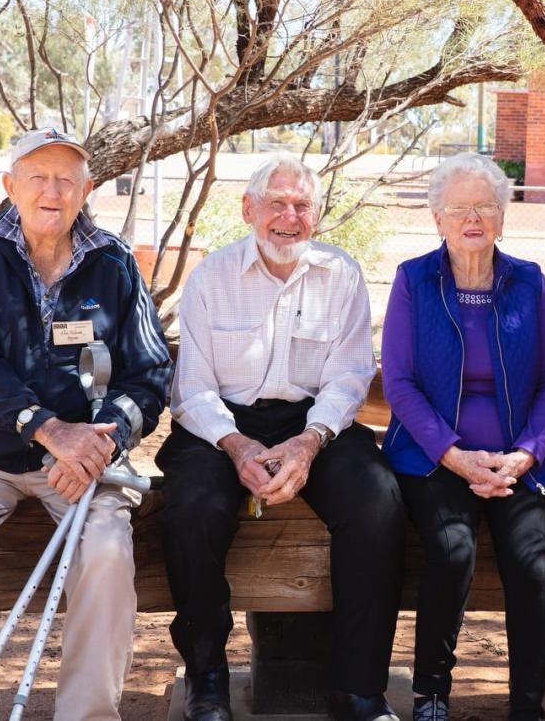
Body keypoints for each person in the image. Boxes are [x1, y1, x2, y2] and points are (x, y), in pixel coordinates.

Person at [158, 153, 405, 721]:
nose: (289, 217)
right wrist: (236, 444)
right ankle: (207, 681)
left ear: (316, 214)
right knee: (192, 507)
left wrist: (309, 441)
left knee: (378, 499)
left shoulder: (341, 274)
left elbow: (349, 377)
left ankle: (358, 689)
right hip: (223, 424)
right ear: (249, 209)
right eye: (277, 203)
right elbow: (192, 388)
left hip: (313, 422)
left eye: (302, 205)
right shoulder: (212, 276)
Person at [0, 127, 172, 721]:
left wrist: (99, 444)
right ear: (10, 186)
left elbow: (149, 371)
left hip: (88, 459)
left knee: (106, 553)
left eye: (65, 180)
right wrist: (46, 428)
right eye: (37, 177)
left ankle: (87, 715)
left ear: (87, 190)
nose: (51, 192)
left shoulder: (114, 262)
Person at [381, 153, 545, 721]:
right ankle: (431, 693)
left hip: (521, 464)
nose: (473, 218)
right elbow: (399, 382)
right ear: (437, 218)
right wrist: (456, 456)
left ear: (502, 217)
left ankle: (527, 706)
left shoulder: (528, 281)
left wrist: (525, 453)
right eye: (459, 208)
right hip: (434, 460)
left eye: (485, 206)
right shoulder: (414, 280)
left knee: (531, 563)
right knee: (452, 550)